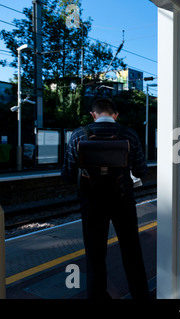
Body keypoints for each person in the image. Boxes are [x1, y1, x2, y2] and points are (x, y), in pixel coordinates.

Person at [62, 98, 149, 299]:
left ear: (93, 114)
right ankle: (141, 296)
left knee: (94, 255)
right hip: (122, 200)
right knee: (131, 251)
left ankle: (97, 296)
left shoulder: (78, 135)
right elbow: (141, 170)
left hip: (91, 202)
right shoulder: (129, 134)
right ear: (115, 115)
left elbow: (67, 175)